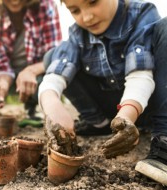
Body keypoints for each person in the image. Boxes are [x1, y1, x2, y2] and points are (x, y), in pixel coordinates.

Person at [39, 0, 167, 185]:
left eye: (93, 2)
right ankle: (99, 123)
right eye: (75, 10)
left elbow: (140, 76)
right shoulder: (77, 33)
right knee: (53, 56)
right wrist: (52, 105)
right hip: (114, 111)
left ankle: (164, 136)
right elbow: (55, 76)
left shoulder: (141, 13)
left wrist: (127, 115)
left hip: (147, 104)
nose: (87, 17)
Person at [0, 0, 62, 128]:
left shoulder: (46, 6)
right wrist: (4, 82)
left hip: (36, 78)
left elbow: (54, 55)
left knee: (51, 74)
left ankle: (31, 108)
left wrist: (31, 71)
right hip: (7, 78)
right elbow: (0, 63)